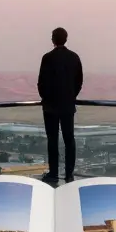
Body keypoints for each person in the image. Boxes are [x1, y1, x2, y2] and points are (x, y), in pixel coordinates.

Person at [37, 27, 83, 184]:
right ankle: (69, 175)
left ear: (53, 40)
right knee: (69, 139)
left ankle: (53, 174)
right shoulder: (74, 57)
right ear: (66, 39)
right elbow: (79, 81)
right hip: (67, 106)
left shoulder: (47, 58)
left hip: (50, 107)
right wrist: (71, 96)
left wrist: (46, 98)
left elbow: (41, 83)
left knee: (52, 140)